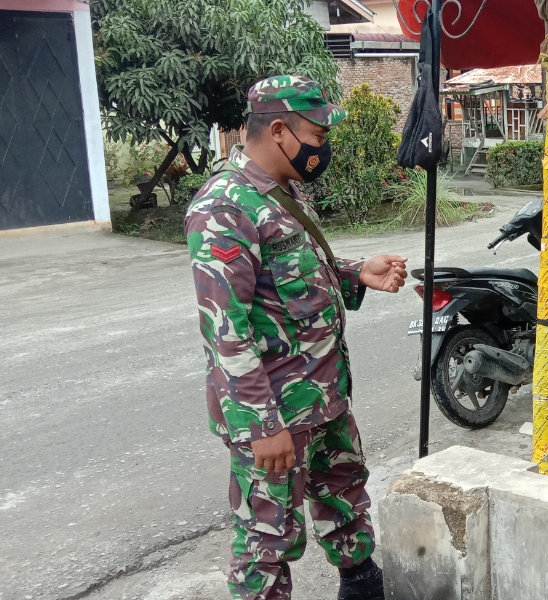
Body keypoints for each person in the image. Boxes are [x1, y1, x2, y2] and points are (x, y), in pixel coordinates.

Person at [185, 75, 407, 600]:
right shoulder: (224, 207)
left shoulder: (280, 191)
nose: (323, 145)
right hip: (276, 413)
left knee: (345, 497)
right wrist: (263, 427)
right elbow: (226, 331)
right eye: (317, 132)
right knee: (267, 539)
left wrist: (356, 273)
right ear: (280, 130)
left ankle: (360, 584)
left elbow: (290, 276)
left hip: (323, 395)